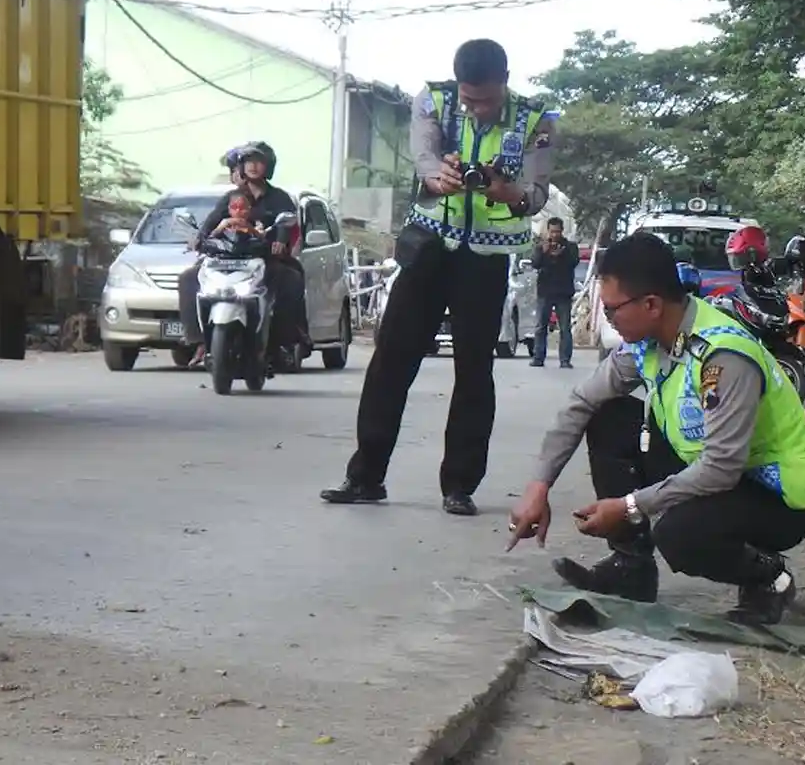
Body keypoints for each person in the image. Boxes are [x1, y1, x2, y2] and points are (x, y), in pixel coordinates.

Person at [505, 232, 805, 625]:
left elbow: (721, 467)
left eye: (613, 309)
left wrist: (628, 507)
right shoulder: (649, 342)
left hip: (771, 497)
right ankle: (630, 569)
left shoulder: (724, 357)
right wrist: (539, 487)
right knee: (609, 415)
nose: (609, 320)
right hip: (716, 472)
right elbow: (581, 402)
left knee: (678, 535)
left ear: (651, 304)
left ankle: (769, 577)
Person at [320, 38, 558, 516]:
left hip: (486, 260)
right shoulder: (434, 99)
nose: (475, 109)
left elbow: (535, 194)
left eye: (486, 100)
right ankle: (365, 476)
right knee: (390, 361)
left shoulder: (538, 120)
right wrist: (438, 177)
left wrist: (503, 189)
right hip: (429, 247)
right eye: (470, 99)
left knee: (474, 371)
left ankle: (460, 485)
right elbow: (423, 155)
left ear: (505, 85)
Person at [177, 142, 306, 365]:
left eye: (259, 162)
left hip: (263, 257)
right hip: (226, 257)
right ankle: (199, 341)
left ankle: (284, 341)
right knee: (188, 278)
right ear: (241, 167)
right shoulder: (231, 197)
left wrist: (280, 243)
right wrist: (199, 239)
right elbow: (211, 222)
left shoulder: (280, 198)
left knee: (292, 278)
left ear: (269, 167)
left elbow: (286, 223)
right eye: (248, 162)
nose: (254, 167)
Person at [529, 217, 578, 369]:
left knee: (564, 328)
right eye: (552, 231)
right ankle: (538, 357)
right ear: (548, 231)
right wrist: (545, 253)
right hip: (545, 292)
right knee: (540, 327)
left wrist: (561, 255)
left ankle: (565, 360)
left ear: (562, 231)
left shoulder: (570, 247)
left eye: (557, 231)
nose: (554, 235)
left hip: (563, 292)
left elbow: (573, 262)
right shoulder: (541, 246)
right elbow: (535, 264)